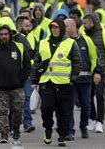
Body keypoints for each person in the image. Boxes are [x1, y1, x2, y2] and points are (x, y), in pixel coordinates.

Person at [31, 19, 81, 147]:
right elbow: (36, 62)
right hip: (46, 83)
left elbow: (77, 62)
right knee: (46, 108)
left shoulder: (70, 43)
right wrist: (34, 80)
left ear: (62, 29)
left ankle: (62, 136)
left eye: (57, 27)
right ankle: (48, 129)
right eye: (52, 27)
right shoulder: (42, 43)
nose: (54, 29)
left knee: (64, 112)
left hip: (65, 84)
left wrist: (73, 79)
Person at [0, 24, 31, 146]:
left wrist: (21, 79)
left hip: (17, 87)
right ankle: (4, 133)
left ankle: (16, 131)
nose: (4, 36)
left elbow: (27, 65)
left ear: (10, 35)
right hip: (0, 88)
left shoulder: (19, 47)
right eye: (1, 34)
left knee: (17, 112)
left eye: (6, 34)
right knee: (2, 112)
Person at [64, 18, 101, 140]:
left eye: (66, 26)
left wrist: (97, 72)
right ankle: (70, 130)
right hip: (70, 81)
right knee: (69, 105)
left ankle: (83, 127)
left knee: (86, 105)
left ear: (73, 27)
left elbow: (95, 57)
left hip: (85, 80)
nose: (64, 29)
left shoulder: (86, 40)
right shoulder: (64, 42)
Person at [82, 12, 105, 134]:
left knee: (100, 94)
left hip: (102, 71)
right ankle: (91, 118)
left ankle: (99, 121)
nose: (84, 25)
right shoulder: (83, 34)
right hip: (88, 70)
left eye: (86, 23)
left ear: (93, 22)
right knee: (88, 96)